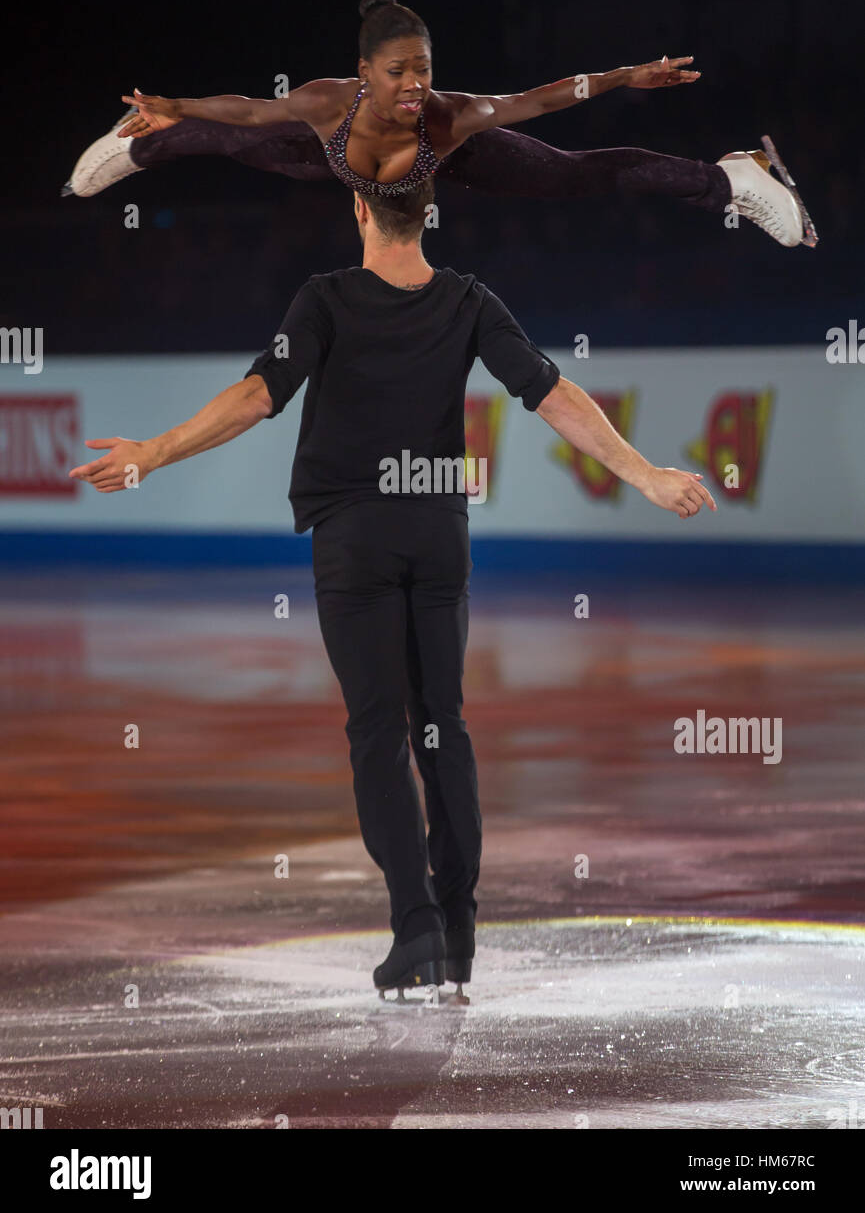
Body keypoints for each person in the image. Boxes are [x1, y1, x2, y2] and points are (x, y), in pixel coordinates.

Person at [69, 177, 717, 1000]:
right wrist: (643, 473)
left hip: (356, 538)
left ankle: (415, 926)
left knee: (378, 732)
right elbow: (551, 394)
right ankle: (459, 933)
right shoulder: (470, 300)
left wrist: (153, 453)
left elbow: (256, 396)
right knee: (442, 722)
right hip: (438, 533)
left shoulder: (326, 299)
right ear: (427, 213)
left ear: (360, 211)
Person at [64, 0, 809, 249]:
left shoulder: (449, 118)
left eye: (423, 67)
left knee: (581, 178)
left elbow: (541, 98)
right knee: (229, 138)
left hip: (444, 163)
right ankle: (134, 142)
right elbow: (253, 107)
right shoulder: (327, 103)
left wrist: (623, 77)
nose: (416, 83)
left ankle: (728, 177)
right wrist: (173, 106)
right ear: (364, 75)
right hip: (331, 153)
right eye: (399, 72)